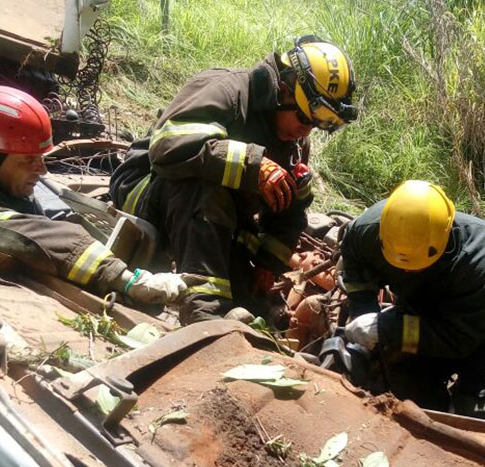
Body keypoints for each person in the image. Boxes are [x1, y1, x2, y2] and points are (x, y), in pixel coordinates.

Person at [109, 35, 358, 324]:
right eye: (304, 120)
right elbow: (166, 149)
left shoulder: (294, 144)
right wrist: (253, 165)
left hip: (214, 218)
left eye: (314, 126)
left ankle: (237, 312)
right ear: (285, 91)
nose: (306, 132)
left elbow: (291, 208)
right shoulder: (227, 89)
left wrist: (268, 263)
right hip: (148, 189)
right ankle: (203, 313)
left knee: (250, 298)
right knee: (206, 189)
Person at [0, 85, 186, 304]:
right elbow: (30, 235)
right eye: (28, 160)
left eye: (41, 157)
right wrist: (126, 280)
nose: (43, 171)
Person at [340, 180, 485, 422]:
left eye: (415, 266)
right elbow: (356, 266)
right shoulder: (368, 229)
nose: (407, 272)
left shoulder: (482, 257)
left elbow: (459, 339)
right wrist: (363, 312)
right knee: (396, 389)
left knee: (483, 422)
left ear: (445, 239)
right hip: (422, 309)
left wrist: (385, 327)